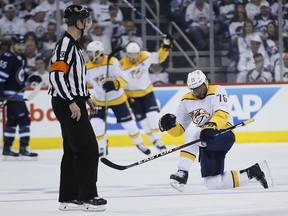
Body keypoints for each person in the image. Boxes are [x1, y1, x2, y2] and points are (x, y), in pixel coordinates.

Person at [158, 70, 273, 192]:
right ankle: (254, 172)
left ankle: (182, 172)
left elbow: (222, 112)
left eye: (201, 88)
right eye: (195, 90)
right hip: (205, 140)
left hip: (222, 134)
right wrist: (169, 126)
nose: (199, 92)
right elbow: (179, 130)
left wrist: (211, 126)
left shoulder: (217, 91)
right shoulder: (186, 101)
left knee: (194, 130)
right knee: (213, 183)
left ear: (206, 82)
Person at [48, 5, 106, 212]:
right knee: (87, 148)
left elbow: (74, 78)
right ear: (77, 22)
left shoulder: (74, 45)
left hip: (73, 100)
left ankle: (68, 198)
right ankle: (88, 197)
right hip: (67, 103)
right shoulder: (65, 46)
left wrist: (86, 97)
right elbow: (56, 77)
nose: (87, 22)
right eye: (84, 19)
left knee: (73, 150)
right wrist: (72, 102)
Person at [86, 41, 151, 156]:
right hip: (99, 101)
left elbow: (125, 79)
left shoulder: (112, 61)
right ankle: (101, 147)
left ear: (97, 52)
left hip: (118, 99)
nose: (88, 55)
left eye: (90, 53)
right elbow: (83, 85)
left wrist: (114, 84)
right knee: (95, 124)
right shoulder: (87, 67)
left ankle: (140, 144)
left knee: (129, 124)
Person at [119, 37, 173, 151]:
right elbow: (119, 83)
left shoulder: (145, 56)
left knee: (153, 117)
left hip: (147, 93)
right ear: (127, 54)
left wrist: (165, 47)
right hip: (132, 97)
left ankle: (159, 141)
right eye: (130, 54)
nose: (133, 57)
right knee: (143, 122)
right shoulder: (121, 65)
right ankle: (153, 140)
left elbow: (159, 58)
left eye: (136, 54)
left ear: (139, 53)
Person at [0, 34, 41, 159]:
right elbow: (0, 79)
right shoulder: (7, 58)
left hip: (18, 93)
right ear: (13, 44)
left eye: (23, 44)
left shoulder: (21, 57)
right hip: (10, 95)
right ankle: (24, 147)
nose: (22, 47)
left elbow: (20, 76)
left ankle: (7, 148)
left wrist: (30, 79)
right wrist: (1, 96)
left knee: (12, 120)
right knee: (24, 119)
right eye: (19, 44)